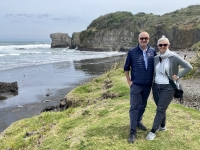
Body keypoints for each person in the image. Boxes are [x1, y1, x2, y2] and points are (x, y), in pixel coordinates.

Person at [146, 35, 193, 140]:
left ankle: (153, 131)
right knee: (161, 108)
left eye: (165, 44)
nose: (163, 46)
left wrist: (178, 76)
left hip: (168, 87)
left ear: (168, 45)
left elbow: (189, 67)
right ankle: (162, 126)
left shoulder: (174, 56)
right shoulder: (156, 58)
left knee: (160, 109)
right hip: (156, 86)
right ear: (158, 46)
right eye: (161, 45)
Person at [124, 31, 156, 143]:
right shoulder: (132, 51)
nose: (143, 40)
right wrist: (129, 82)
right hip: (136, 85)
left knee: (143, 105)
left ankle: (138, 121)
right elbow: (126, 68)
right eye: (142, 38)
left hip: (147, 86)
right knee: (134, 108)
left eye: (146, 38)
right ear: (138, 39)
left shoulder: (153, 51)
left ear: (149, 39)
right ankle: (132, 132)